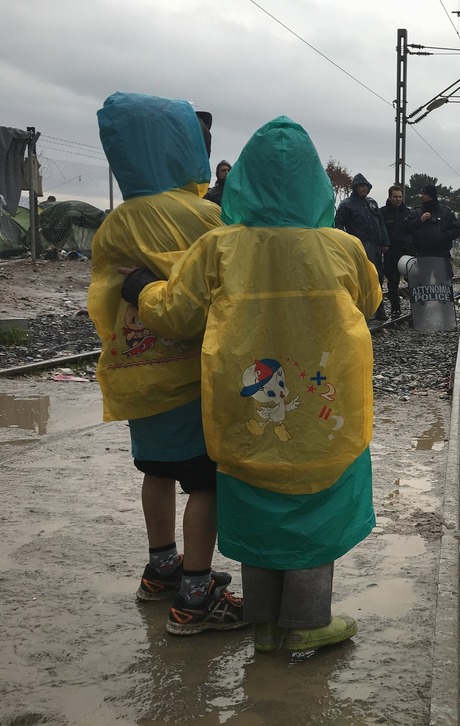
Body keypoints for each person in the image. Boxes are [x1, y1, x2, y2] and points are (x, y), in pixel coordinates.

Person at [122, 116, 382, 653]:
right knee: (317, 511)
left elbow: (174, 314)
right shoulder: (342, 247)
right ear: (316, 182)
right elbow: (371, 302)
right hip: (321, 414)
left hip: (247, 411)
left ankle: (263, 624)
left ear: (242, 178)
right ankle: (307, 623)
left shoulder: (219, 247)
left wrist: (141, 288)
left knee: (257, 507)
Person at [88, 92, 242, 635]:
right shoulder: (208, 217)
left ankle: (161, 567)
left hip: (136, 373)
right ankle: (197, 595)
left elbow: (104, 296)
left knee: (155, 469)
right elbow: (218, 289)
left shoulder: (116, 222)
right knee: (206, 483)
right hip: (191, 377)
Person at [335, 173, 390, 319]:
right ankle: (364, 310)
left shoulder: (372, 202)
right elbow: (338, 223)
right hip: (359, 245)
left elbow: (381, 222)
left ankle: (380, 310)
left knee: (378, 275)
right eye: (361, 186)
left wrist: (385, 241)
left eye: (365, 186)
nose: (364, 189)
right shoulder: (346, 205)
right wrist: (346, 241)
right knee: (364, 277)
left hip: (376, 245)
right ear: (355, 187)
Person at [404, 183, 460, 279]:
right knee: (422, 282)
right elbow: (406, 227)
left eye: (424, 194)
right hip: (422, 254)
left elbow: (457, 229)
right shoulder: (416, 212)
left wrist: (445, 236)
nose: (421, 196)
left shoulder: (445, 212)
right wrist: (420, 220)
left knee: (443, 281)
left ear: (431, 195)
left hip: (441, 254)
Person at [381, 184, 412, 317]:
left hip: (406, 250)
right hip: (390, 251)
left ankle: (415, 309)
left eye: (400, 197)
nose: (398, 199)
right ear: (390, 197)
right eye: (395, 197)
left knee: (412, 280)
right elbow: (380, 230)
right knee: (393, 282)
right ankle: (395, 309)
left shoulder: (408, 213)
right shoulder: (382, 212)